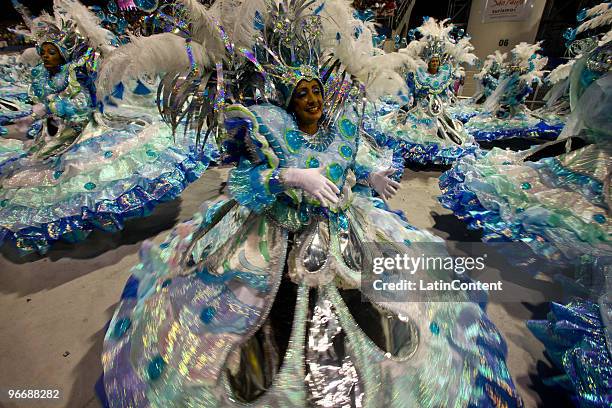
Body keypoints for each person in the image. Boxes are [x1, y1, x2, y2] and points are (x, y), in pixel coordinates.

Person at [100, 1, 522, 406]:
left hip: (342, 232)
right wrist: (289, 176)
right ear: (289, 100)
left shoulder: (337, 128)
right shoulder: (270, 128)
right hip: (275, 234)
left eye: (317, 91)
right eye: (302, 93)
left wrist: (368, 176)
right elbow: (245, 181)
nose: (314, 100)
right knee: (272, 321)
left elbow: (345, 163)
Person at [0, 0, 216, 253]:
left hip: (80, 129)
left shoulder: (74, 73)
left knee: (84, 175)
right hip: (53, 133)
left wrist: (50, 108)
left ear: (63, 52)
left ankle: (95, 220)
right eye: (44, 51)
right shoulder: (42, 75)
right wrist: (40, 113)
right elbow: (41, 101)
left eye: (52, 51)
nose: (46, 56)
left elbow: (81, 107)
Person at [376, 17, 479, 166]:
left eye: (437, 62)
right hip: (418, 108)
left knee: (441, 129)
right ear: (428, 62)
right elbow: (411, 91)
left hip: (436, 111)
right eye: (433, 61)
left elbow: (444, 94)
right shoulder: (418, 73)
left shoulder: (443, 75)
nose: (435, 64)